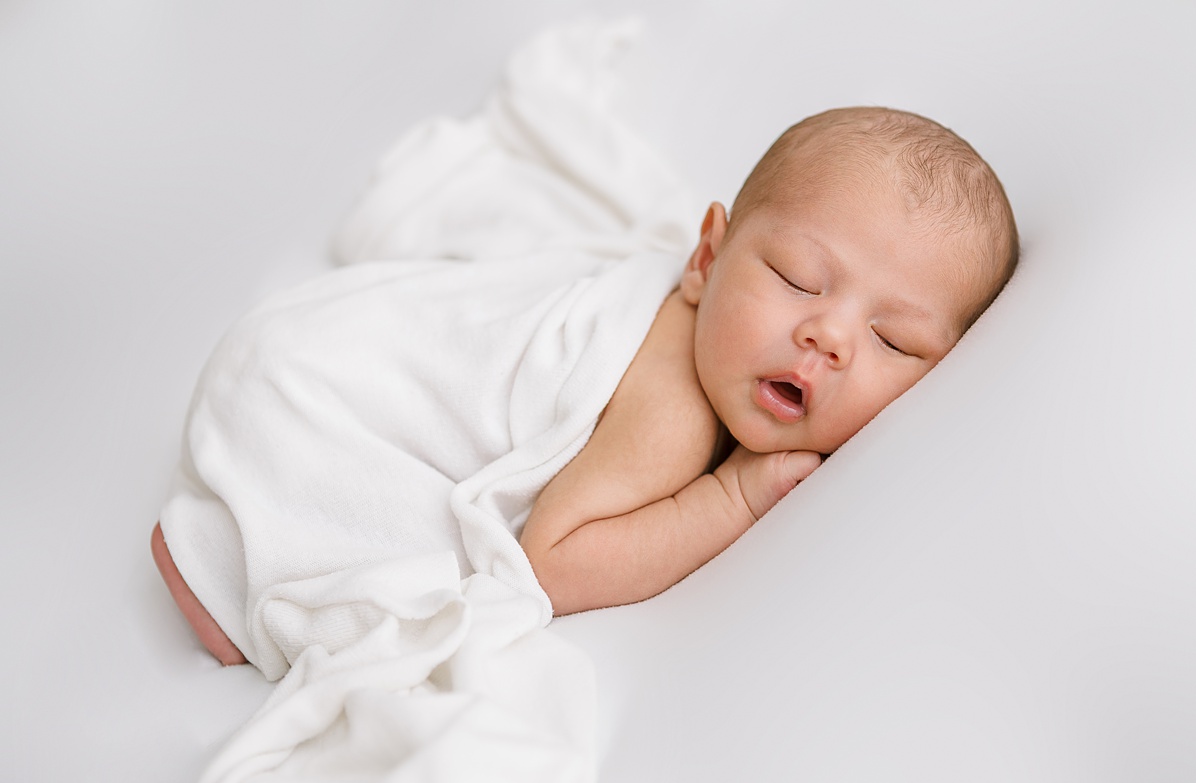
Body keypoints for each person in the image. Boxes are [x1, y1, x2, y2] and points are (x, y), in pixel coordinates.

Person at [152, 106, 1018, 666]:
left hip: (311, 332)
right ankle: (217, 565)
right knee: (398, 579)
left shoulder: (719, 337)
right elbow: (552, 563)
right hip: (315, 396)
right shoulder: (672, 408)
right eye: (796, 278)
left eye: (891, 340)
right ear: (705, 256)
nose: (828, 336)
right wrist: (733, 497)